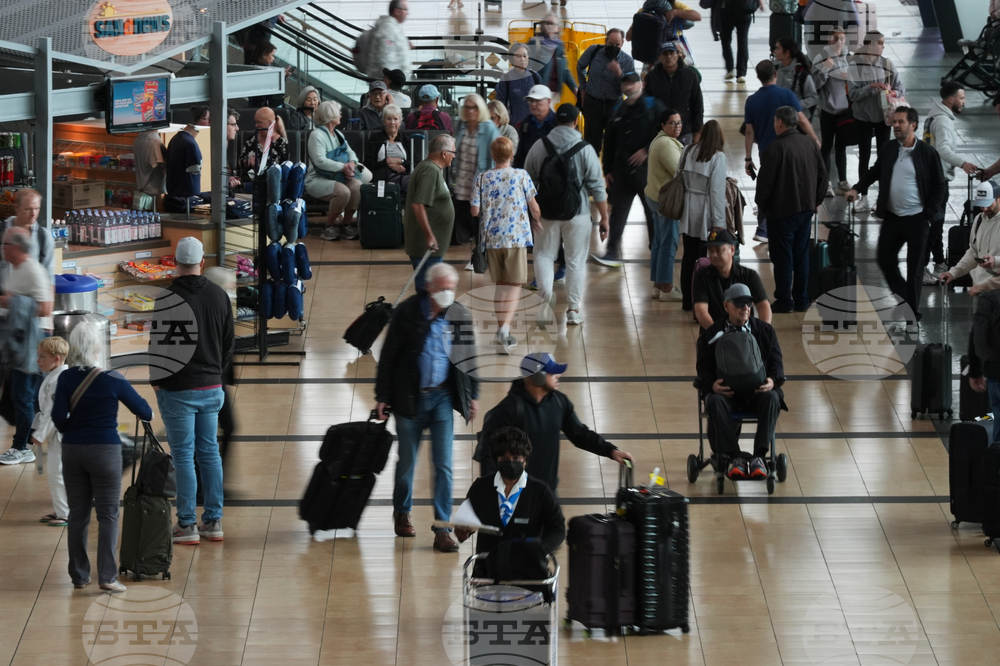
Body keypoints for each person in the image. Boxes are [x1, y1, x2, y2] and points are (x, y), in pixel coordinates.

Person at [374, 262, 479, 552]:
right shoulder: (407, 313)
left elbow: (469, 356)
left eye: (452, 288)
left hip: (442, 398)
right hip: (409, 398)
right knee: (407, 462)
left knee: (444, 465)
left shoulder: (458, 314)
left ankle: (442, 529)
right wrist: (382, 396)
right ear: (429, 287)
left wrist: (472, 394)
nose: (448, 293)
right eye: (443, 288)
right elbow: (388, 356)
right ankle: (402, 512)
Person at [53, 322, 153, 592]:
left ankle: (79, 576)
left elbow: (58, 418)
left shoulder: (65, 378)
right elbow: (144, 411)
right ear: (98, 347)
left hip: (73, 450)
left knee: (78, 514)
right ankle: (107, 577)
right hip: (105, 452)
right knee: (108, 514)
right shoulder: (112, 378)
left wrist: (73, 429)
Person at [148, 237, 233, 545]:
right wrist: (215, 373)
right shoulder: (219, 295)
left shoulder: (167, 298)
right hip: (211, 387)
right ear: (202, 262)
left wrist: (157, 382)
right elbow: (228, 343)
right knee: (209, 453)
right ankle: (213, 521)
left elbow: (159, 347)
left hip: (178, 388)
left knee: (184, 455)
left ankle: (186, 524)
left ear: (175, 262)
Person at [845, 107, 947, 324]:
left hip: (917, 219)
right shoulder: (889, 148)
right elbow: (875, 171)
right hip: (893, 217)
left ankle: (911, 314)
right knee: (885, 260)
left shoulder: (927, 153)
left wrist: (927, 214)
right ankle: (905, 301)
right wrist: (857, 188)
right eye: (894, 122)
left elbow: (940, 186)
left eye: (901, 122)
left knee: (915, 269)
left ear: (913, 125)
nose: (896, 126)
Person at [479, 353, 635, 491]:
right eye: (552, 372)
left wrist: (611, 451)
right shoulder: (509, 409)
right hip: (516, 493)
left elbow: (579, 434)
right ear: (538, 376)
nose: (558, 375)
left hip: (547, 491)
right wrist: (492, 494)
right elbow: (488, 454)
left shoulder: (559, 402)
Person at [525, 104, 610, 326]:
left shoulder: (539, 146)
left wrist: (532, 212)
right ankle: (573, 309)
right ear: (575, 122)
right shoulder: (585, 149)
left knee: (544, 255)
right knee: (575, 260)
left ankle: (545, 302)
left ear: (556, 122)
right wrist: (604, 217)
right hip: (578, 213)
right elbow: (597, 186)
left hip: (545, 212)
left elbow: (527, 182)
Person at [696, 283, 786, 480]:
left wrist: (772, 381)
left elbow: (777, 364)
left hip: (758, 394)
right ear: (726, 306)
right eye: (739, 303)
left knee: (772, 398)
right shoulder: (711, 334)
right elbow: (703, 368)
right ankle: (735, 457)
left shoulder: (764, 331)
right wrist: (712, 385)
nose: (745, 307)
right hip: (726, 395)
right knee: (714, 402)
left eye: (748, 303)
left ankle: (759, 457)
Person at [756, 106, 828, 313]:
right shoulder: (809, 143)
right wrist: (816, 201)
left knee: (782, 258)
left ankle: (785, 300)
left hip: (781, 213)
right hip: (805, 210)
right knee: (801, 254)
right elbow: (823, 175)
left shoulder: (775, 148)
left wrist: (764, 207)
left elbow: (765, 185)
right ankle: (802, 299)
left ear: (780, 122)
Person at [470, 137, 539, 354]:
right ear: (511, 155)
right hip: (516, 238)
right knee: (514, 286)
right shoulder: (521, 175)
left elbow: (474, 211)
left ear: (492, 155)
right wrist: (537, 220)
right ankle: (504, 331)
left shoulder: (482, 178)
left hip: (492, 240)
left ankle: (502, 329)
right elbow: (534, 206)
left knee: (501, 286)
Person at [453, 426, 565, 559]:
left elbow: (558, 529)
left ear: (525, 461)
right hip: (488, 566)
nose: (511, 463)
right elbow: (462, 532)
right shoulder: (480, 488)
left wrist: (540, 549)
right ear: (496, 460)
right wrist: (462, 531)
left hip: (528, 566)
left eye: (516, 458)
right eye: (504, 459)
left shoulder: (540, 491)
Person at [592, 71, 664, 267]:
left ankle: (657, 253)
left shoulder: (653, 107)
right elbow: (609, 142)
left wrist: (647, 150)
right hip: (622, 172)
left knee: (652, 213)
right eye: (625, 84)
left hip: (647, 172)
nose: (628, 87)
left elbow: (666, 132)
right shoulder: (618, 110)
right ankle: (611, 253)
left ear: (641, 85)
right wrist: (607, 170)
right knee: (618, 212)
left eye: (632, 83)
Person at [744, 60, 819, 242]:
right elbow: (802, 120)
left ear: (758, 77)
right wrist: (814, 140)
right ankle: (773, 226)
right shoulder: (787, 95)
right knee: (788, 185)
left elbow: (749, 131)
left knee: (768, 186)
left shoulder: (752, 100)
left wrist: (748, 158)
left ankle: (764, 226)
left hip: (766, 152)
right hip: (789, 150)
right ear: (775, 74)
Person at [0, 228, 52, 466]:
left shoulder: (33, 270)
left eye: (5, 244)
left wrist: (14, 302)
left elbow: (45, 308)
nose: (2, 248)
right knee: (22, 396)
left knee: (24, 397)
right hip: (18, 341)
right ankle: (27, 442)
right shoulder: (14, 268)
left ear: (16, 247)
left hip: (32, 343)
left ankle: (22, 447)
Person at [923, 82, 980, 286]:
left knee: (935, 223)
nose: (964, 102)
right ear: (951, 99)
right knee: (934, 225)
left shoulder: (933, 117)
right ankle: (923, 267)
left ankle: (939, 263)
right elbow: (943, 149)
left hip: (931, 177)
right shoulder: (943, 121)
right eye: (961, 98)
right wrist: (962, 163)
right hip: (938, 180)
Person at [847, 30, 905, 214]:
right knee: (864, 156)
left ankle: (882, 197)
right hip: (862, 117)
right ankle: (863, 197)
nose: (883, 47)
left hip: (883, 116)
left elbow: (900, 87)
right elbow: (853, 95)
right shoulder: (855, 66)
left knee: (884, 156)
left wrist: (893, 92)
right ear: (870, 45)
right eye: (880, 43)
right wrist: (870, 87)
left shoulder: (887, 64)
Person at [677, 120, 728, 312]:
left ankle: (687, 301)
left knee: (689, 256)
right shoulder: (718, 157)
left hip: (688, 207)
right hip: (706, 211)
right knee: (705, 258)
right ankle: (700, 300)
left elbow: (678, 176)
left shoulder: (687, 150)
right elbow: (716, 192)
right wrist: (719, 222)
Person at [404, 134, 456, 293]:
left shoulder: (432, 169)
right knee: (429, 293)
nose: (454, 156)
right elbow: (418, 204)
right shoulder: (430, 171)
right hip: (426, 247)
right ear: (444, 153)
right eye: (453, 152)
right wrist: (429, 235)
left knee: (432, 292)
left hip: (430, 246)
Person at [306, 101, 362, 242]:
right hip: (317, 179)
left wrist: (352, 164)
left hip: (337, 176)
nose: (341, 115)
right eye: (339, 113)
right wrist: (344, 167)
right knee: (343, 192)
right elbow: (320, 161)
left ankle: (346, 225)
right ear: (330, 116)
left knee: (357, 186)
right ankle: (328, 227)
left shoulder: (338, 134)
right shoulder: (316, 135)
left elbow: (351, 153)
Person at [693, 228, 771, 330]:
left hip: (745, 335)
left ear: (732, 250)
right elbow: (701, 310)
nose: (714, 255)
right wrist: (717, 333)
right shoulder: (702, 277)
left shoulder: (749, 275)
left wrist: (763, 332)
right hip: (714, 333)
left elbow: (763, 306)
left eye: (718, 250)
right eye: (711, 251)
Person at [645, 108, 685, 301]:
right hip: (666, 201)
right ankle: (667, 289)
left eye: (679, 122)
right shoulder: (666, 145)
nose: (677, 126)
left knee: (660, 241)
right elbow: (680, 171)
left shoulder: (661, 140)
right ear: (663, 125)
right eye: (672, 123)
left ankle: (658, 284)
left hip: (655, 196)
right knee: (669, 243)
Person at [30, 336, 69, 527]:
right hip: (59, 432)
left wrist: (39, 435)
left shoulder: (58, 379)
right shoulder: (56, 376)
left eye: (42, 356)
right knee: (59, 473)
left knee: (57, 474)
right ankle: (61, 508)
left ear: (57, 359)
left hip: (60, 434)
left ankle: (65, 512)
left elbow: (53, 412)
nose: (38, 360)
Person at [576, 29, 634, 154]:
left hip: (614, 106)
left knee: (612, 145)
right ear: (605, 41)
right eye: (611, 44)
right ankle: (591, 165)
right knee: (591, 144)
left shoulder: (627, 61)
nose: (614, 47)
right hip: (593, 104)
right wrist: (583, 88)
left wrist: (619, 74)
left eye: (617, 45)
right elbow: (580, 66)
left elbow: (630, 90)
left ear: (622, 44)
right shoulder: (594, 51)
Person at [941, 180, 1000, 301]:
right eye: (981, 204)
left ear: (998, 199)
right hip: (979, 289)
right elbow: (973, 252)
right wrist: (953, 273)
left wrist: (996, 261)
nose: (984, 208)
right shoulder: (979, 220)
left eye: (988, 204)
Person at [453, 93, 499, 247]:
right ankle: (470, 251)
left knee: (479, 223)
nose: (470, 111)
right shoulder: (461, 126)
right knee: (463, 221)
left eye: (474, 107)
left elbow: (495, 158)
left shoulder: (489, 128)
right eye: (467, 107)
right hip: (462, 181)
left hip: (481, 182)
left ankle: (479, 254)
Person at [812, 27, 852, 198]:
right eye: (835, 38)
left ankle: (842, 182)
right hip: (828, 109)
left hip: (844, 110)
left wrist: (850, 77)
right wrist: (825, 69)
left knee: (841, 147)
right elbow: (814, 84)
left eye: (842, 39)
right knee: (827, 146)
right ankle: (826, 183)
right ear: (829, 39)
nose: (839, 42)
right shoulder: (821, 57)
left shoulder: (849, 58)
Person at [642, 41, 704, 145]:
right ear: (659, 57)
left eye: (672, 53)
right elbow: (646, 106)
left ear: (678, 55)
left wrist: (697, 131)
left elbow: (698, 105)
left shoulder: (690, 76)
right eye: (665, 54)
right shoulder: (651, 78)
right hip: (660, 132)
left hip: (684, 131)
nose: (669, 57)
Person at [0, 188, 55, 287]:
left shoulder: (44, 236)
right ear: (16, 207)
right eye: (28, 209)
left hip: (31, 294)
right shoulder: (2, 232)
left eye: (37, 208)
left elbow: (49, 274)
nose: (33, 214)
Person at [527, 14, 577, 107]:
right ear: (542, 26)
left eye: (553, 24)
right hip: (539, 94)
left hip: (553, 94)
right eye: (547, 23)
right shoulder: (535, 42)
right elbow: (526, 68)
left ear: (558, 28)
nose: (550, 26)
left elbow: (565, 70)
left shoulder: (559, 45)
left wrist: (574, 89)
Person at [164, 106, 206, 214]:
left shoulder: (175, 139)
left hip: (174, 185)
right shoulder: (190, 144)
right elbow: (196, 166)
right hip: (187, 186)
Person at [364, 104, 411, 196]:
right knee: (415, 182)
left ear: (400, 121)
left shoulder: (406, 140)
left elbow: (415, 163)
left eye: (395, 119)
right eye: (388, 119)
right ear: (383, 121)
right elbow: (368, 164)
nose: (392, 122)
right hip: (382, 176)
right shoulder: (375, 138)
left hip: (403, 174)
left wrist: (400, 161)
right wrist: (387, 164)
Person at [238, 107, 289, 188]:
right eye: (255, 122)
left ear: (270, 123)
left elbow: (285, 168)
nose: (256, 125)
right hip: (251, 182)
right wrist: (247, 161)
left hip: (272, 185)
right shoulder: (252, 139)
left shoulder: (281, 142)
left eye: (259, 122)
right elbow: (240, 162)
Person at [364, 0, 412, 79]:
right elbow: (386, 59)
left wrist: (405, 44)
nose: (407, 13)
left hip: (391, 82)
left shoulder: (392, 28)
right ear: (397, 11)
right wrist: (391, 82)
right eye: (405, 10)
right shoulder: (388, 30)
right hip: (389, 83)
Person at [496, 44, 542, 127]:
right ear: (512, 59)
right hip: (515, 126)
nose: (522, 59)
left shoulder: (535, 77)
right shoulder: (506, 79)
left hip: (534, 126)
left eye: (525, 56)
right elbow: (500, 106)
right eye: (518, 56)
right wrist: (511, 121)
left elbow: (541, 102)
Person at [720, 0, 766, 82]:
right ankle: (741, 73)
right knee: (743, 42)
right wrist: (761, 4)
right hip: (745, 10)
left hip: (727, 11)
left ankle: (730, 69)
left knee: (726, 41)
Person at [513, 85, 556, 169]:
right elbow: (520, 155)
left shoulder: (558, 123)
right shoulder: (525, 125)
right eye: (530, 101)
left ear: (549, 101)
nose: (533, 104)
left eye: (537, 100)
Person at [774, 37, 818, 117]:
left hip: (798, 119)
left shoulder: (802, 74)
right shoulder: (777, 71)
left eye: (778, 48)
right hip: (781, 117)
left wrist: (796, 104)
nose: (775, 51)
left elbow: (813, 98)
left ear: (787, 53)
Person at [246, 41, 292, 108]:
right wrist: (281, 77)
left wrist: (283, 77)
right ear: (264, 55)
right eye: (272, 55)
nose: (273, 59)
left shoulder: (265, 70)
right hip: (262, 108)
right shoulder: (259, 71)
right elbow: (270, 90)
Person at [133, 129, 166, 211]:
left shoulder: (138, 139)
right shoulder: (155, 142)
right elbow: (159, 165)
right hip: (153, 186)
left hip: (143, 184)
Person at [225, 108, 242, 193]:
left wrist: (227, 179)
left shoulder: (225, 144)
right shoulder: (211, 147)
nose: (237, 128)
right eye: (233, 125)